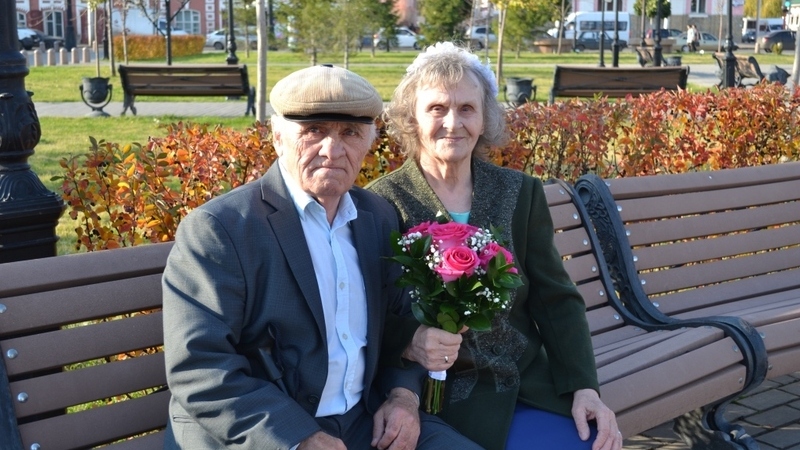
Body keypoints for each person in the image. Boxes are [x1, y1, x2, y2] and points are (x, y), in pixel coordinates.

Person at [161, 64, 482, 450]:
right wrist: (299, 438)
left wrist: (403, 398)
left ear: (369, 143)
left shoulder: (376, 217)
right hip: (263, 431)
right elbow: (200, 366)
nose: (332, 150)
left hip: (365, 420)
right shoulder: (221, 229)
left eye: (350, 133)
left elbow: (399, 323)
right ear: (278, 137)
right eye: (314, 130)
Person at [367, 42, 622, 450]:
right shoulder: (382, 203)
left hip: (526, 383)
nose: (453, 123)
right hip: (435, 400)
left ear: (485, 118)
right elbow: (371, 314)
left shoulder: (520, 192)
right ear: (412, 118)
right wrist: (412, 340)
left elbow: (555, 298)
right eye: (437, 109)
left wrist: (584, 387)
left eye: (467, 108)